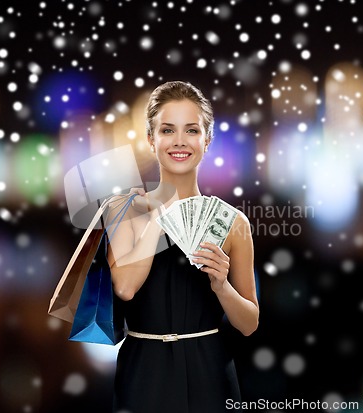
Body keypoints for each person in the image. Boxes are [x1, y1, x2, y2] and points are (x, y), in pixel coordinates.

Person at [107, 80, 259, 413]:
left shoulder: (233, 223)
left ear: (207, 140)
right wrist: (158, 218)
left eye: (191, 130)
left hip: (211, 370)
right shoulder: (125, 208)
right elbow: (126, 288)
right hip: (143, 370)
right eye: (167, 130)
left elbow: (249, 323)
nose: (179, 142)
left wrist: (221, 286)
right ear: (151, 139)